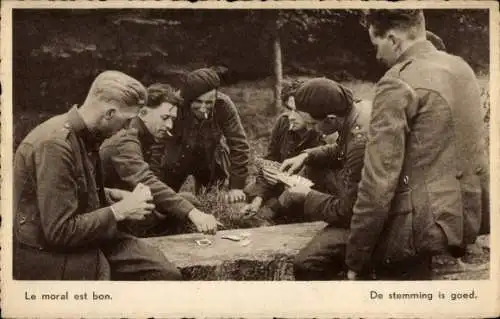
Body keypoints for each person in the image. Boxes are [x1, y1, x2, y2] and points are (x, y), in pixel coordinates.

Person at [345, 9, 489, 281]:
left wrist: (356, 257)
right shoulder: (462, 68)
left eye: (376, 45)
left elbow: (378, 181)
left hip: (417, 236)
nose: (377, 56)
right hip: (467, 221)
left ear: (393, 39)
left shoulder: (396, 82)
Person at [13, 70, 183, 280]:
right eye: (127, 120)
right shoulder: (55, 145)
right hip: (48, 251)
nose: (128, 128)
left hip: (85, 236)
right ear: (109, 114)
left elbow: (70, 191)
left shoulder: (85, 136)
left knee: (166, 272)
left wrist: (113, 196)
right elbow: (59, 231)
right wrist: (120, 210)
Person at [265, 78, 371, 280]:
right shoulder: (357, 111)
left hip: (376, 222)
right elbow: (340, 150)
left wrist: (307, 196)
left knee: (306, 263)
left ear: (331, 119)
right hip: (375, 209)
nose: (312, 128)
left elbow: (347, 212)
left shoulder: (360, 143)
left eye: (313, 123)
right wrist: (306, 156)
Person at [100, 83, 221, 237]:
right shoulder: (125, 137)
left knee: (187, 200)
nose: (169, 125)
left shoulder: (146, 136)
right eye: (165, 118)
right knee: (183, 208)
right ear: (143, 112)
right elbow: (145, 180)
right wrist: (192, 213)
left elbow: (155, 179)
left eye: (172, 120)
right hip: (110, 208)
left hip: (132, 201)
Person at [162, 67, 250, 203]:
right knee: (164, 200)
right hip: (176, 157)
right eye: (198, 102)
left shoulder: (224, 105)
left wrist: (237, 186)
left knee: (210, 202)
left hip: (210, 158)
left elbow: (239, 144)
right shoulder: (174, 104)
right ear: (188, 98)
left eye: (209, 102)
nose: (203, 108)